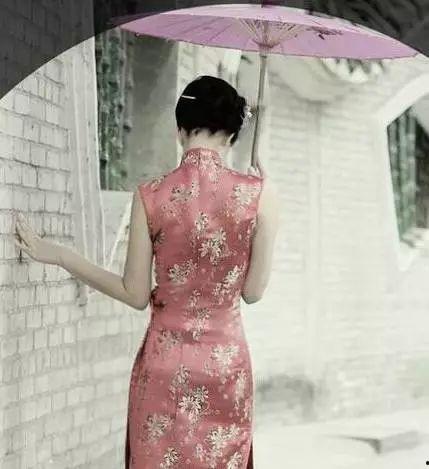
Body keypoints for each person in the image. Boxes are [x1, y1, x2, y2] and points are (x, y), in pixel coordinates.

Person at [14, 75, 279, 468]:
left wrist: (63, 256)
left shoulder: (150, 195)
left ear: (180, 130)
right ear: (232, 136)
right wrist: (265, 195)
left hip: (164, 364)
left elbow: (134, 293)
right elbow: (253, 293)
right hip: (225, 368)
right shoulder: (261, 195)